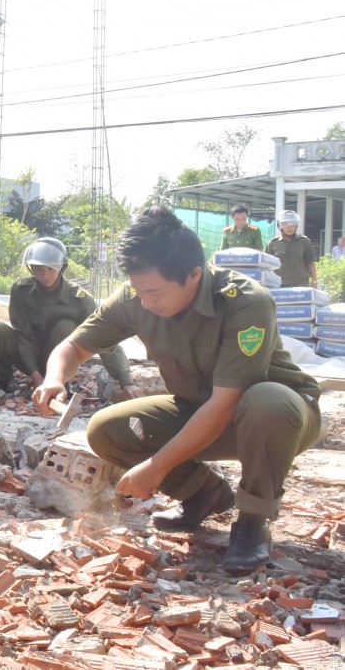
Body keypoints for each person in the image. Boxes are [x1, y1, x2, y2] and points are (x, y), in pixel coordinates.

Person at [33, 208, 321, 574]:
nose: (146, 302)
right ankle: (204, 494)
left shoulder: (245, 301)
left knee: (267, 400)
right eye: (138, 291)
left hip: (280, 418)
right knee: (106, 429)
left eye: (154, 292)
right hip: (199, 410)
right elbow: (74, 347)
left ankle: (252, 521)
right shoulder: (137, 296)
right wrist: (54, 378)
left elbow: (225, 402)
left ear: (194, 274)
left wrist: (156, 468)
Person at [0, 237, 144, 399]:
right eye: (38, 269)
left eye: (51, 268)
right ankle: (2, 381)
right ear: (31, 268)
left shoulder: (80, 299)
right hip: (28, 356)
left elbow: (105, 338)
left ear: (62, 267)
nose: (45, 275)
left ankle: (60, 382)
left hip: (61, 361)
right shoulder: (21, 291)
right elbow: (23, 337)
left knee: (66, 326)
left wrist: (126, 381)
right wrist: (37, 378)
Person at [266, 210, 317, 287]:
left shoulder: (304, 241)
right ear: (280, 226)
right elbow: (267, 266)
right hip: (279, 285)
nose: (290, 227)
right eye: (285, 224)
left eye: (293, 224)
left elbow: (310, 262)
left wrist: (315, 280)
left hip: (301, 284)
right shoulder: (272, 243)